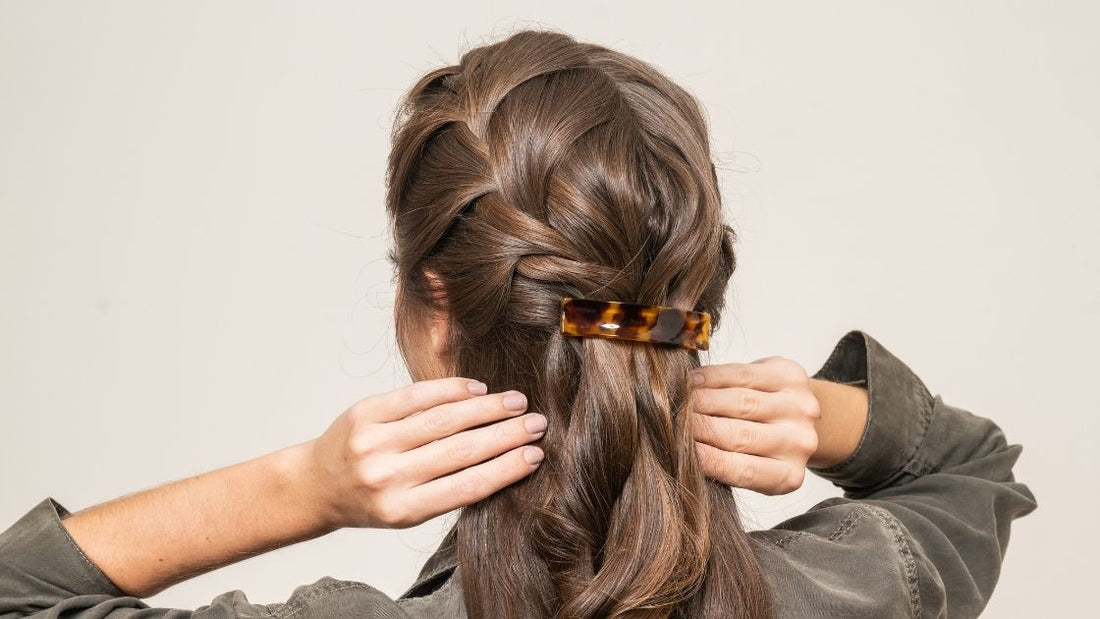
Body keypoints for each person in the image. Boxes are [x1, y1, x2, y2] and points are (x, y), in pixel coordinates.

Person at [0, 29, 1037, 618]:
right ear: (691, 309)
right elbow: (974, 472)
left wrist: (303, 486)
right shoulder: (860, 582)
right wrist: (829, 414)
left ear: (437, 313)